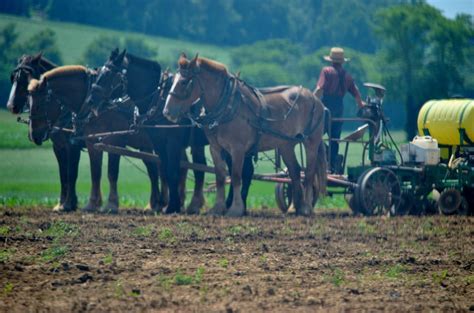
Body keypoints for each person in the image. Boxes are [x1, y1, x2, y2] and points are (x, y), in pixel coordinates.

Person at [314, 47, 365, 173]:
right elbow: (356, 93)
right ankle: (331, 165)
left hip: (326, 107)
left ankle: (322, 158)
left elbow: (320, 89)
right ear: (342, 62)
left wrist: (311, 101)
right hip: (339, 109)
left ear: (331, 60)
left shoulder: (326, 71)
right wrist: (360, 104)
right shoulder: (347, 75)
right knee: (335, 139)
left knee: (315, 136)